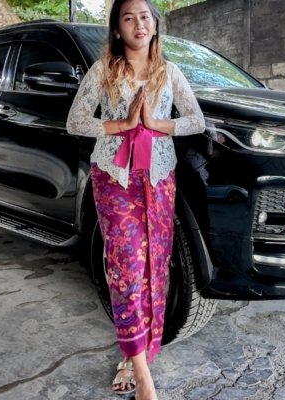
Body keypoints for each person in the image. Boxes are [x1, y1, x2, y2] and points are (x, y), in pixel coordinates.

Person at [66, 0, 205, 398]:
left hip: (159, 179)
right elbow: (75, 121)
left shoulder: (169, 72)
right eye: (128, 18)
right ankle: (141, 372)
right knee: (126, 265)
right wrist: (122, 124)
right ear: (117, 29)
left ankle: (138, 352)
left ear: (155, 25)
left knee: (155, 267)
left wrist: (155, 124)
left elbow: (196, 120)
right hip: (115, 178)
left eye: (144, 17)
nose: (138, 24)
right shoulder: (103, 70)